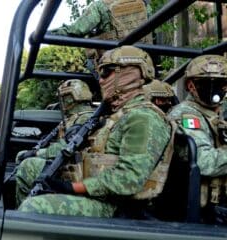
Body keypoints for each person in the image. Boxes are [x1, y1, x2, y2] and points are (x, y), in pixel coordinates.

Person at [17, 46, 172, 218]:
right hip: (95, 189)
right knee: (27, 168)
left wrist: (72, 188)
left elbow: (129, 180)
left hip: (116, 206)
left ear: (130, 73)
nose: (101, 80)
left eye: (106, 72)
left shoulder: (143, 118)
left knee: (34, 207)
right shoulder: (118, 113)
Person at [15, 79, 95, 205]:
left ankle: (22, 213)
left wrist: (36, 153)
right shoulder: (76, 117)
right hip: (68, 164)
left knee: (27, 165)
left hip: (74, 167)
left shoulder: (85, 118)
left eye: (63, 98)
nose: (62, 102)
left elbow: (66, 147)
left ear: (70, 97)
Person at [168, 55, 227, 222]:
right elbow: (204, 162)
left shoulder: (214, 113)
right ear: (190, 86)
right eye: (206, 82)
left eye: (221, 83)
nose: (215, 88)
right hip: (200, 211)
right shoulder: (186, 115)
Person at [50, 0, 151, 73]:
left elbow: (76, 30)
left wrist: (47, 34)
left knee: (90, 60)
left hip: (114, 64)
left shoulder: (100, 6)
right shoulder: (144, 4)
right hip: (145, 61)